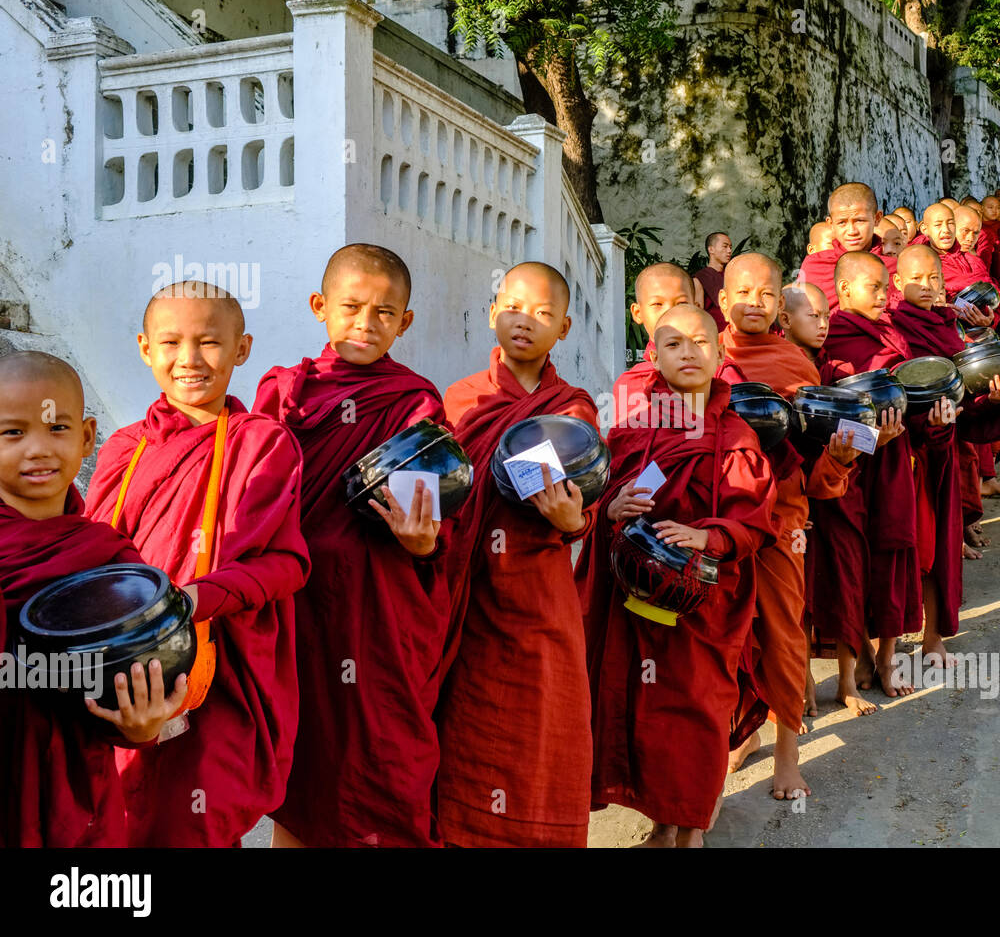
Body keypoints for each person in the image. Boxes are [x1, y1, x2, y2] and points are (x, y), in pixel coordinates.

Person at [84, 281, 309, 847]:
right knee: (122, 820)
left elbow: (288, 565)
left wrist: (193, 601)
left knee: (193, 823)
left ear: (242, 348)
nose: (188, 359)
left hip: (221, 670)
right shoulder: (123, 449)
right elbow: (89, 562)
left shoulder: (262, 444)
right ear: (144, 347)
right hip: (126, 669)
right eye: (171, 342)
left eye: (209, 342)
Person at [253, 244, 449, 848]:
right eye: (351, 307)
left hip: (378, 606)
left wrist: (423, 544)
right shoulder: (284, 393)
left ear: (405, 322)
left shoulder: (414, 401)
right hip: (300, 605)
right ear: (320, 307)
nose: (366, 324)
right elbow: (254, 495)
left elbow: (437, 519)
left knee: (381, 753)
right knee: (305, 760)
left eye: (385, 313)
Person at [581, 303, 777, 847]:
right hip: (636, 593)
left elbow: (756, 517)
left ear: (719, 353)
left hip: (706, 597)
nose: (688, 353)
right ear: (654, 356)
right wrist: (612, 507)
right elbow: (602, 497)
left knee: (695, 710)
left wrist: (706, 536)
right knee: (646, 707)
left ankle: (690, 831)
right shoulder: (631, 428)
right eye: (673, 344)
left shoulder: (734, 434)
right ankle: (661, 822)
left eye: (699, 342)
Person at [436, 261, 598, 847]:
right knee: (470, 725)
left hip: (538, 595)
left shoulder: (573, 409)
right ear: (491, 314)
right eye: (513, 306)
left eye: (543, 314)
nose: (524, 322)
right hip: (470, 592)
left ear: (565, 329)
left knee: (540, 726)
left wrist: (572, 520)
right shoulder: (461, 400)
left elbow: (584, 505)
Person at [0, 351, 187, 847]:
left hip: (78, 792)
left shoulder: (109, 558)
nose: (38, 449)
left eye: (56, 428)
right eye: (13, 433)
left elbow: (124, 690)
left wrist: (141, 726)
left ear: (86, 437)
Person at [717, 254, 856, 797]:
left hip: (781, 516)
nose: (754, 301)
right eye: (743, 292)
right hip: (717, 516)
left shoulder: (796, 365)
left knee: (780, 629)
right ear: (723, 300)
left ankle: (786, 753)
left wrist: (841, 459)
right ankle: (735, 735)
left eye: (766, 293)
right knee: (722, 635)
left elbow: (817, 471)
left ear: (779, 304)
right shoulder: (700, 354)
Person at [888, 246, 1000, 667]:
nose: (927, 288)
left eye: (935, 280)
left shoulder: (951, 328)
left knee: (940, 547)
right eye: (917, 279)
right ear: (896, 283)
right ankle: (882, 651)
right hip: (900, 453)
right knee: (899, 548)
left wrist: (994, 399)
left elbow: (964, 394)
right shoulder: (892, 329)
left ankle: (932, 638)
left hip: (943, 450)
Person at [817, 251, 918, 699]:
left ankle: (888, 656)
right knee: (852, 565)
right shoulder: (830, 340)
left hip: (894, 464)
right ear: (844, 290)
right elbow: (824, 418)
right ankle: (858, 653)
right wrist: (873, 441)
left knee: (893, 555)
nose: (885, 294)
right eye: (874, 286)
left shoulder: (890, 331)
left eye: (886, 285)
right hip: (852, 471)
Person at [616, 262, 745, 425]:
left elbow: (741, 423)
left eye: (682, 303)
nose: (670, 312)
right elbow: (626, 441)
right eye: (658, 304)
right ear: (637, 313)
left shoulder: (717, 367)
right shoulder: (631, 382)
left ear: (697, 307)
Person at [798, 183, 881, 303]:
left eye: (860, 221)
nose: (852, 231)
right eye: (842, 222)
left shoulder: (896, 265)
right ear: (831, 224)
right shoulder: (816, 265)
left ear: (877, 218)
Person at [692, 232, 732, 331]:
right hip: (715, 333)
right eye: (725, 246)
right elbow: (698, 313)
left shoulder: (732, 275)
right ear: (711, 249)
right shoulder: (700, 278)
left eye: (730, 247)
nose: (729, 251)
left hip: (735, 330)